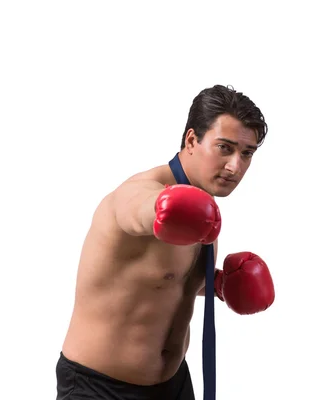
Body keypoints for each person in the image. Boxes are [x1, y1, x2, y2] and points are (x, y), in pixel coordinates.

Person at [55, 84, 276, 400]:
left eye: (246, 153)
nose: (235, 166)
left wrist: (218, 285)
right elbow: (135, 209)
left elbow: (170, 280)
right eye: (225, 148)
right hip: (100, 389)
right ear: (191, 141)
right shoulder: (140, 193)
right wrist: (161, 208)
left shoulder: (203, 210)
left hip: (174, 385)